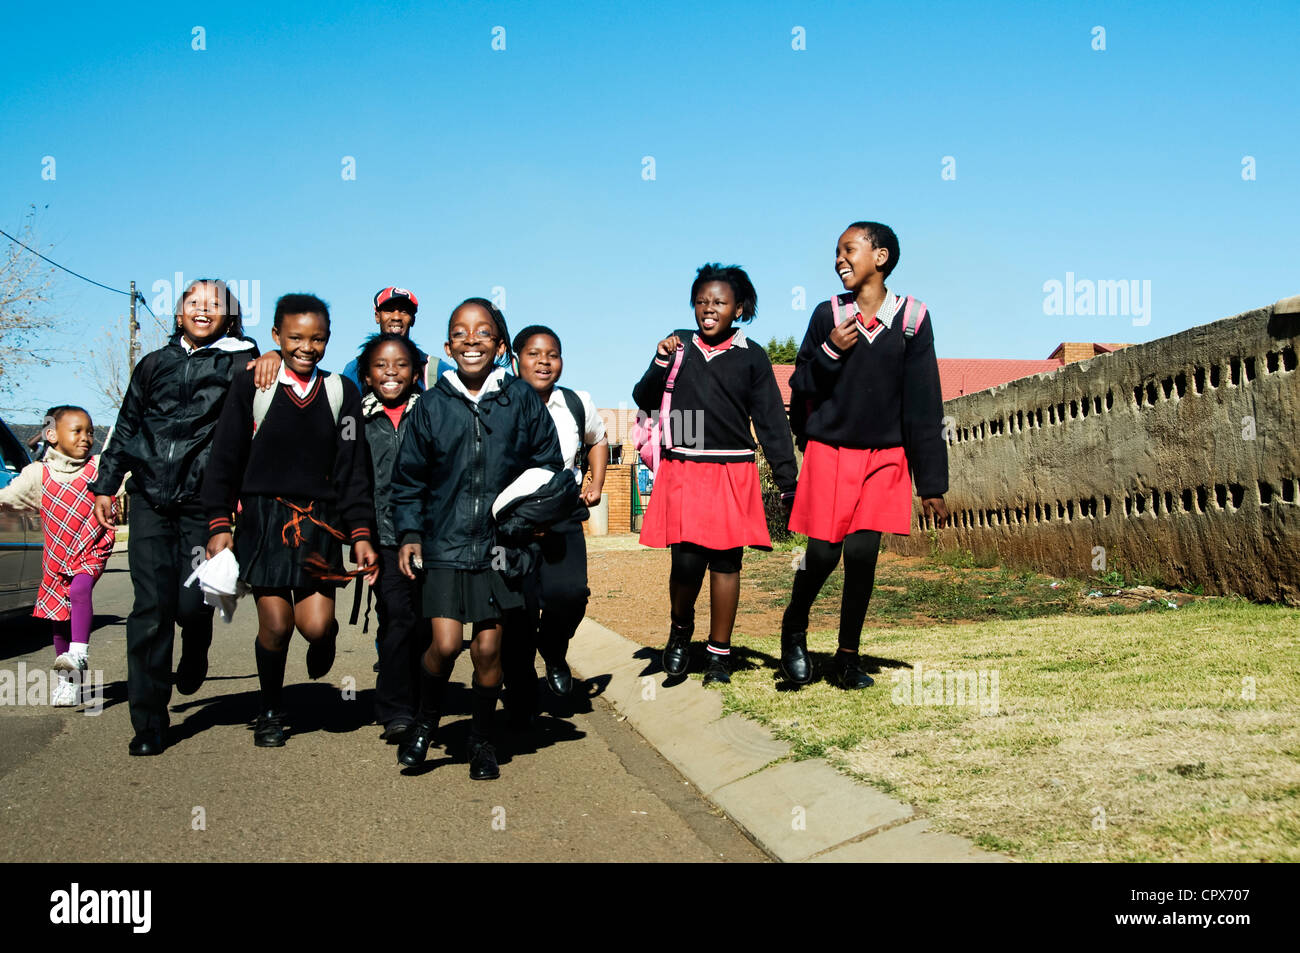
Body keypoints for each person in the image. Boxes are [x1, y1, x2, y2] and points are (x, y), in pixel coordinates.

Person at [391, 298, 562, 780]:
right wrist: (409, 534)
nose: (471, 341)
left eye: (483, 332)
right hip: (444, 543)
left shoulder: (521, 400)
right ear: (447, 346)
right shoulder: (431, 404)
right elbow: (408, 481)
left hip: (499, 547)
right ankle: (425, 722)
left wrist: (529, 519)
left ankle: (482, 740)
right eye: (461, 334)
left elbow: (547, 465)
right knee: (444, 645)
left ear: (500, 346)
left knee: (488, 651)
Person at [90, 279, 259, 756]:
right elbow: (127, 424)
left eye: (215, 305)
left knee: (189, 605)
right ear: (179, 311)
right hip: (147, 497)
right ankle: (149, 722)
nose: (203, 310)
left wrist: (262, 355)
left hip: (203, 502)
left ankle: (198, 637)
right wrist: (107, 483)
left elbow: (263, 396)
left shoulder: (238, 363)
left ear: (230, 316)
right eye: (193, 303)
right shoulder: (153, 364)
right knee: (150, 609)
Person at [202, 293, 378, 747]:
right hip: (263, 521)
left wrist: (360, 533)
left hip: (319, 524)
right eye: (295, 337)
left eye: (317, 338)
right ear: (276, 336)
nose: (306, 346)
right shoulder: (252, 386)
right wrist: (220, 524)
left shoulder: (342, 392)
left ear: (328, 340)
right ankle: (270, 710)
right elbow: (225, 457)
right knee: (275, 627)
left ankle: (325, 643)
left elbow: (353, 468)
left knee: (315, 625)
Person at [783, 221, 950, 689]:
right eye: (836, 251)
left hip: (887, 456)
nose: (839, 259)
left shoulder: (913, 317)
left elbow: (924, 403)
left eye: (848, 249)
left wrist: (932, 483)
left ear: (880, 257)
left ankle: (847, 656)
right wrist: (829, 353)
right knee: (822, 554)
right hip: (831, 452)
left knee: (862, 555)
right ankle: (793, 628)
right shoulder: (826, 315)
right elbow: (800, 387)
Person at [632, 264, 798, 685]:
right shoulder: (679, 346)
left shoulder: (753, 356)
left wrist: (788, 482)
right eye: (702, 301)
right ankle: (679, 633)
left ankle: (719, 655)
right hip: (684, 466)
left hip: (732, 468)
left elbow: (772, 423)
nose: (709, 308)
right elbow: (644, 398)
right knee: (686, 563)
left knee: (726, 563)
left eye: (720, 302)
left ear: (738, 308)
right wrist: (659, 359)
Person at [501, 325, 608, 724]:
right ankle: (520, 685)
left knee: (571, 594)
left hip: (562, 515)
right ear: (515, 359)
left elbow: (598, 439)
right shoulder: (499, 403)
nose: (544, 361)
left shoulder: (577, 403)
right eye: (534, 353)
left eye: (553, 354)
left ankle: (555, 651)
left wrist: (594, 482)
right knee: (520, 609)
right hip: (514, 520)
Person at [0, 406, 115, 707]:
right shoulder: (38, 474)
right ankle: (68, 682)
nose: (86, 438)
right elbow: (9, 497)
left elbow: (130, 473)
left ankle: (79, 653)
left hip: (92, 548)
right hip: (56, 557)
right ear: (51, 435)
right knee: (59, 617)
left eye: (89, 432)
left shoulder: (100, 467)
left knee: (79, 589)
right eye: (77, 431)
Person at [356, 332, 424, 743]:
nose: (391, 372)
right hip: (383, 538)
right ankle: (397, 709)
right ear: (367, 375)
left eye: (400, 364)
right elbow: (352, 483)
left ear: (416, 373)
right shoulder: (356, 421)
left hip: (430, 537)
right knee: (397, 617)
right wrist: (360, 536)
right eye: (381, 365)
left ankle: (424, 700)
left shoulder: (432, 412)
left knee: (427, 624)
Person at [251, 286, 453, 392]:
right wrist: (276, 355)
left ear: (413, 319)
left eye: (404, 311)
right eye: (389, 310)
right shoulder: (355, 369)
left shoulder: (433, 370)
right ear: (377, 316)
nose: (397, 317)